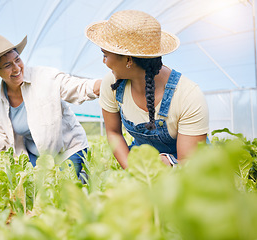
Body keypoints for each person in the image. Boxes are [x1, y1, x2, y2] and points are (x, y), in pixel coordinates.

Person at [0, 34, 101, 176]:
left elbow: (76, 86)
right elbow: (3, 138)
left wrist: (102, 85)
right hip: (35, 157)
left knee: (59, 188)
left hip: (68, 150)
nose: (17, 68)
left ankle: (81, 179)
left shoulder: (44, 76)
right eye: (8, 65)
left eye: (17, 60)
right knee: (35, 192)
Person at [85, 10, 209, 168]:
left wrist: (160, 166)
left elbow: (188, 164)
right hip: (142, 162)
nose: (104, 62)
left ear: (128, 59)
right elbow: (113, 133)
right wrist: (133, 171)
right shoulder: (111, 83)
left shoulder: (188, 95)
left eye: (105, 55)